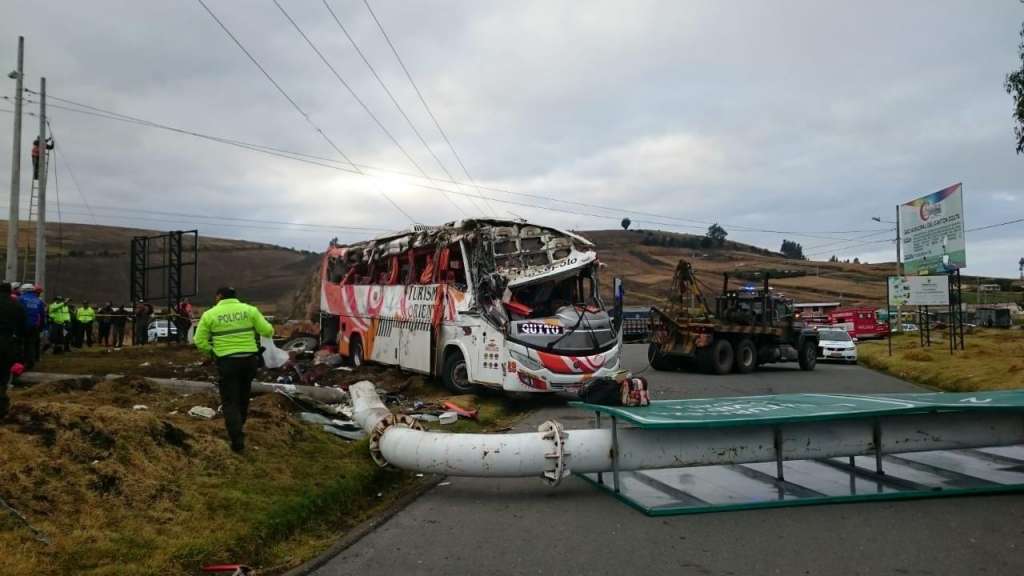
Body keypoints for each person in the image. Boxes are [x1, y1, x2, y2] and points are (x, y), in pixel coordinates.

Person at [194, 287, 274, 452]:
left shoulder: (210, 314)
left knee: (230, 401)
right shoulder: (250, 310)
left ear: (219, 297)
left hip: (227, 361)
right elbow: (268, 331)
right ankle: (240, 426)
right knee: (243, 396)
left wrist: (212, 352)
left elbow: (199, 340)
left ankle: (236, 439)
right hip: (249, 360)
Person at [0, 283, 26, 418]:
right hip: (7, 343)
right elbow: (22, 327)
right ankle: (1, 406)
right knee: (3, 375)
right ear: (10, 291)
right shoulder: (17, 305)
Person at [17, 284, 44, 369]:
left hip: (22, 325)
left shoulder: (20, 299)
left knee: (20, 343)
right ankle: (30, 363)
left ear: (24, 290)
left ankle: (20, 362)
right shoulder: (38, 300)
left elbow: (17, 311)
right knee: (31, 344)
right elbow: (42, 314)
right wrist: (41, 326)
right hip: (34, 326)